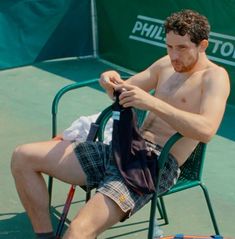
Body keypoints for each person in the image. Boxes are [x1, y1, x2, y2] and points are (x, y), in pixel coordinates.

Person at [11, 9, 230, 239]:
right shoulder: (166, 64)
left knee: (78, 230)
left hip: (155, 165)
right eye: (169, 46)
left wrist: (152, 103)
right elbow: (123, 90)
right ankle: (45, 236)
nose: (174, 55)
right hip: (124, 147)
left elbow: (206, 130)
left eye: (182, 48)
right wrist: (110, 81)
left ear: (203, 45)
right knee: (23, 156)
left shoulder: (215, 77)